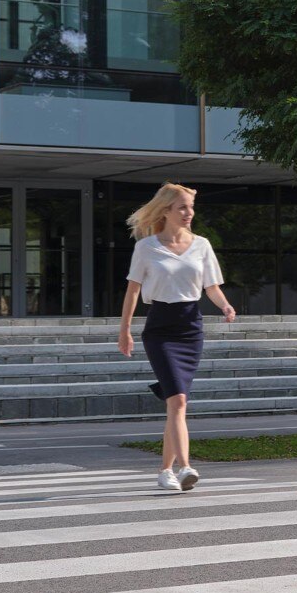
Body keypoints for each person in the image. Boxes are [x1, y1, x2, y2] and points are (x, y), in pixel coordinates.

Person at [117, 183, 235, 491]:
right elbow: (133, 290)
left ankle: (164, 470)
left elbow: (211, 286)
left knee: (175, 404)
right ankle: (185, 467)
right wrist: (125, 330)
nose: (189, 213)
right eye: (182, 207)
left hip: (190, 327)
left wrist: (225, 306)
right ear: (166, 210)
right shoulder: (146, 247)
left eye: (191, 207)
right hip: (160, 328)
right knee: (179, 400)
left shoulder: (202, 245)